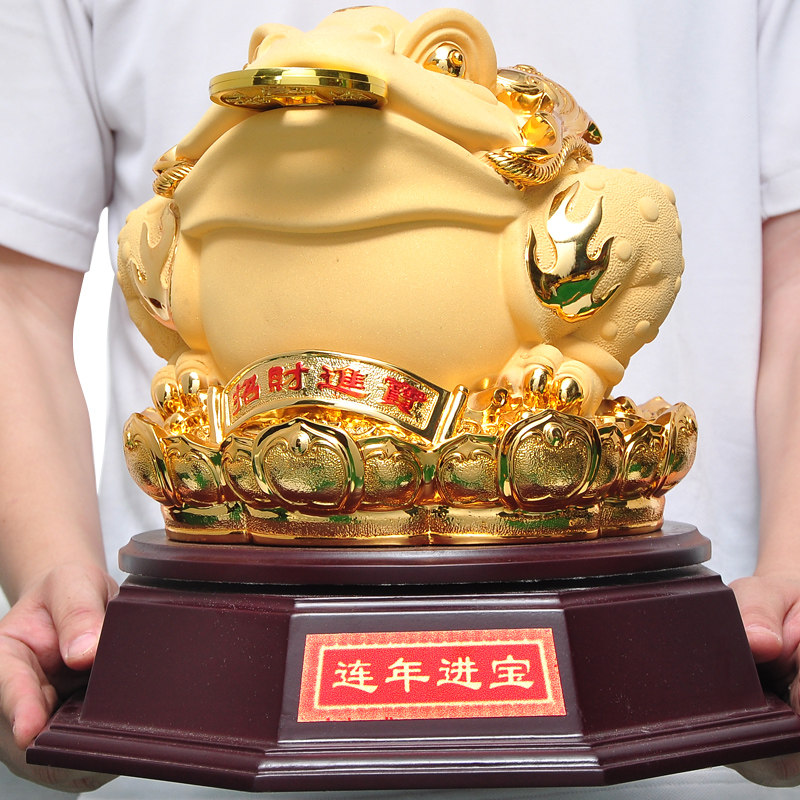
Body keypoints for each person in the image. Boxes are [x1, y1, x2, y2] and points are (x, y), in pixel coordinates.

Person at [0, 0, 799, 797]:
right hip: (181, 712)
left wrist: (792, 577)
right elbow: (19, 299)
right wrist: (58, 585)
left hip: (689, 736)